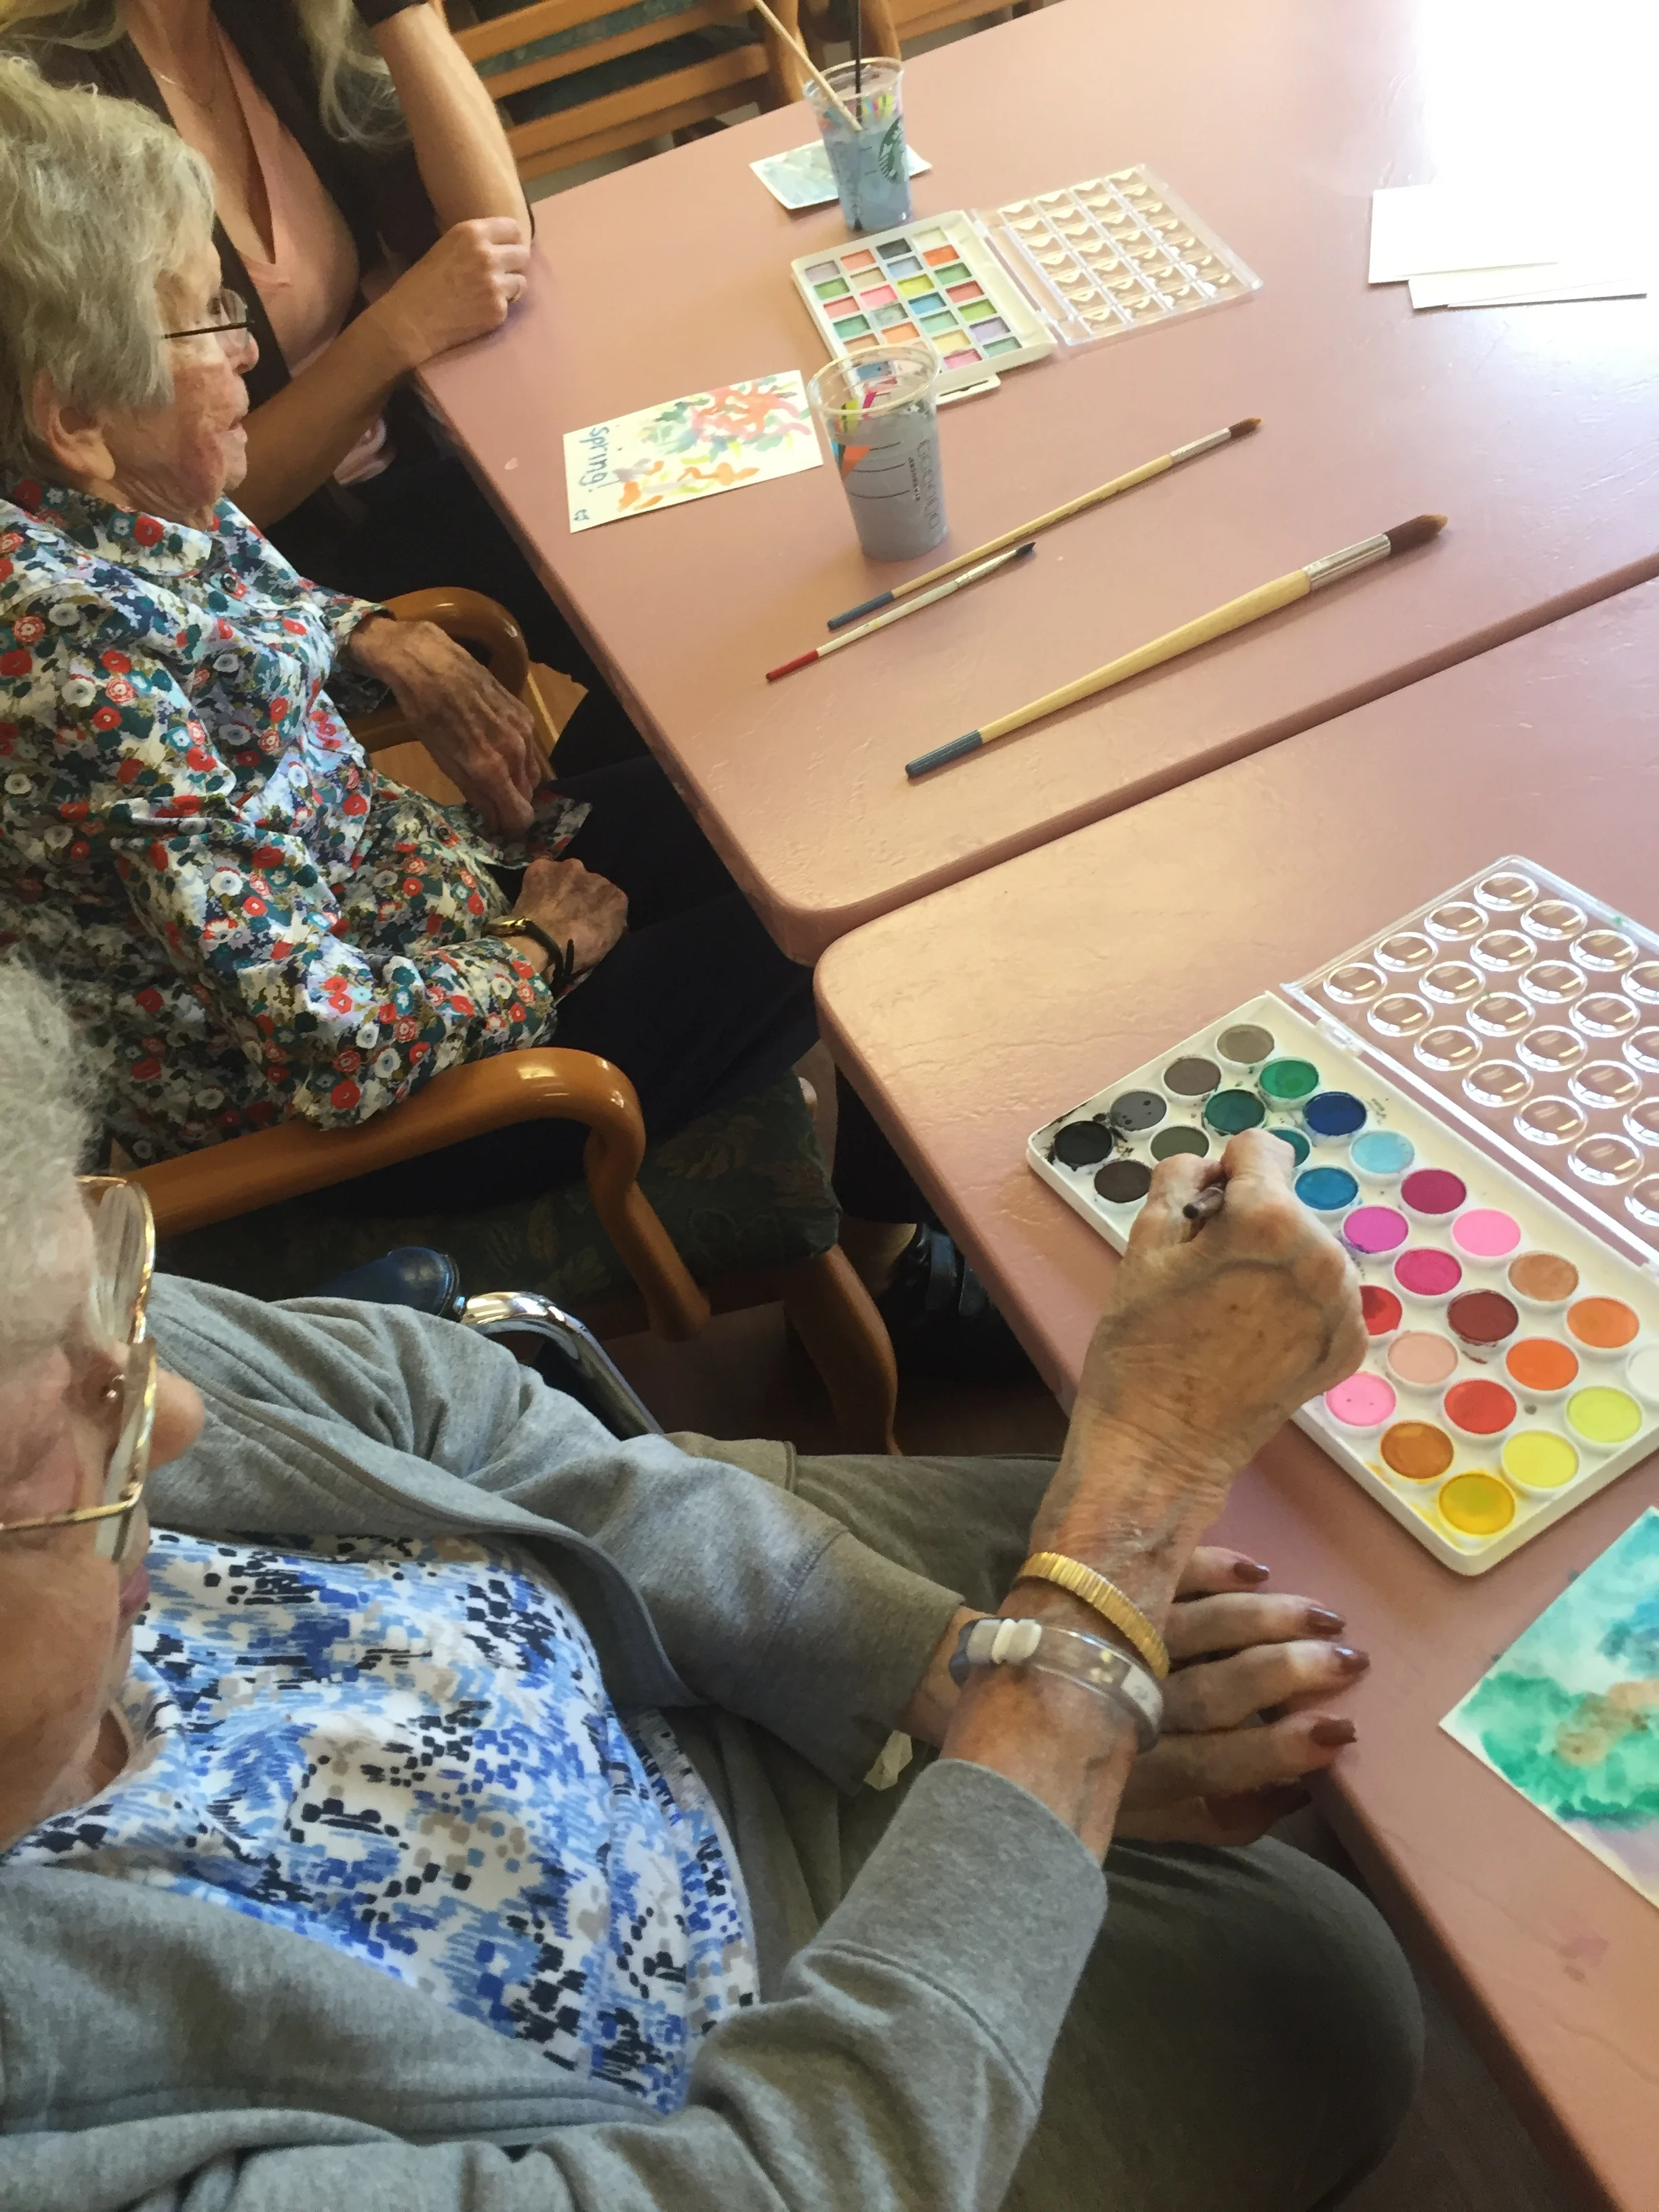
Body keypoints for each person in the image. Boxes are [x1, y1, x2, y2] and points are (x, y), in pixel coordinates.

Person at [0, 954, 1420, 2209]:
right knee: (1329, 1990)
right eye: (34, 1453)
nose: (174, 1426)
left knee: (1312, 1568)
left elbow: (453, 1410)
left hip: (652, 1675)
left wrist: (923, 1676)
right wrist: (1095, 1599)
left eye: (109, 1319)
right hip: (732, 2060)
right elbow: (785, 2178)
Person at [0, 58, 1002, 1363]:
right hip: (403, 1090)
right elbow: (329, 1045)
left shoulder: (95, 518)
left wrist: (371, 634)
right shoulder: (76, 660)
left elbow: (235, 619)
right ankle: (894, 1289)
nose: (248, 344)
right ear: (74, 417)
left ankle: (883, 1248)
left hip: (434, 893)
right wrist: (537, 954)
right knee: (855, 895)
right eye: (204, 322)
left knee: (804, 782)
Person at [0, 0, 645, 770]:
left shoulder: (278, 23)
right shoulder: (49, 107)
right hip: (267, 556)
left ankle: (603, 823)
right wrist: (397, 331)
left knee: (647, 591)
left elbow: (491, 246)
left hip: (410, 464)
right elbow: (174, 505)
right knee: (634, 629)